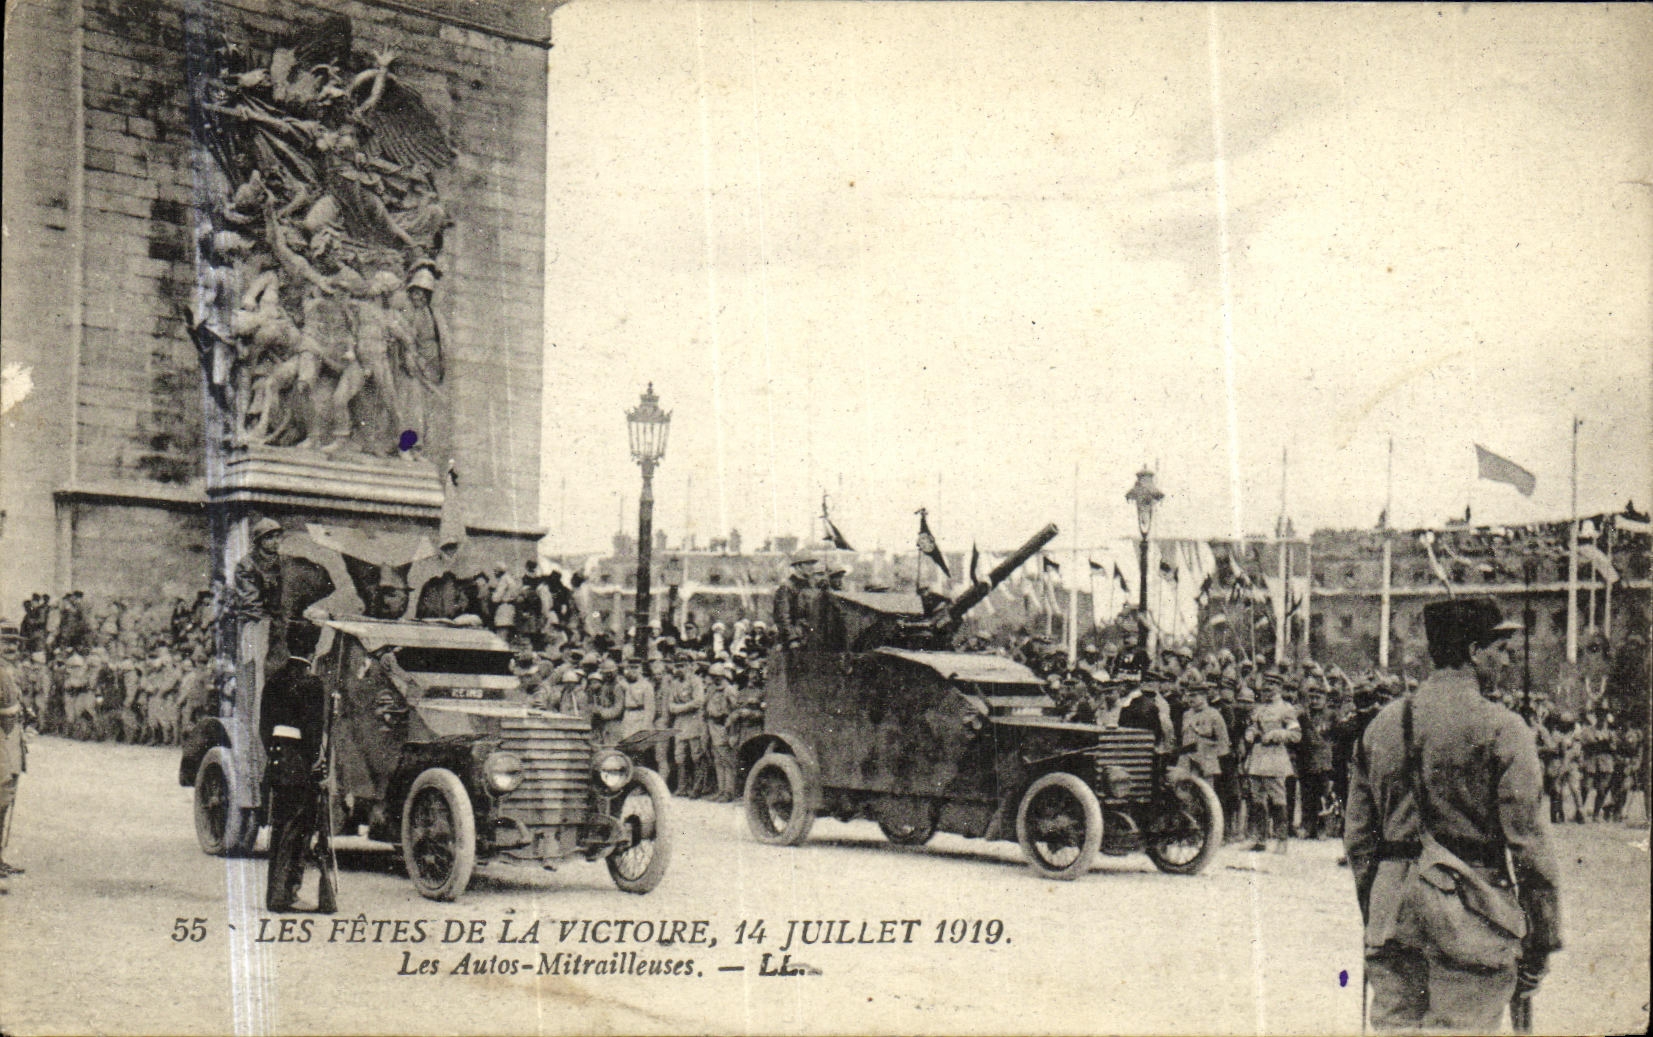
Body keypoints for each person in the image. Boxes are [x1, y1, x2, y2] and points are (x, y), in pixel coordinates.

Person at [1345, 597, 1561, 1033]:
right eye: (1500, 650)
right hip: (1470, 910)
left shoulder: (1381, 725)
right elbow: (1528, 844)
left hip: (1393, 910)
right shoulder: (1504, 728)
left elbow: (1358, 840)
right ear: (1473, 652)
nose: (1506, 661)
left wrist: (1378, 908)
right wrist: (1542, 935)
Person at [260, 623, 336, 914]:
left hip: (278, 763)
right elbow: (313, 734)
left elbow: (264, 728)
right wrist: (313, 764)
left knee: (280, 831)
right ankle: (286, 894)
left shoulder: (275, 680)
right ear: (312, 650)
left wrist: (277, 754)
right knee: (298, 831)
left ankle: (275, 894)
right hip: (299, 767)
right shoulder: (312, 683)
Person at [1243, 673, 1299, 852]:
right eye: (1266, 687)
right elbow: (1253, 726)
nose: (1268, 690)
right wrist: (1250, 732)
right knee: (1257, 800)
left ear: (1279, 688)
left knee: (1278, 800)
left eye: (1272, 686)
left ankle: (1282, 840)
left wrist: (1277, 734)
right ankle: (1261, 839)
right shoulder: (1259, 708)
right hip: (1258, 758)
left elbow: (1296, 735)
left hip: (1275, 758)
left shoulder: (1286, 709)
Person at [1, 630, 27, 881]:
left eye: (14, 643)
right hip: (2, 743)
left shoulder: (8, 671)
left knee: (3, 802)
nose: (11, 647)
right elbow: (8, 713)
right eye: (5, 642)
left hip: (8, 744)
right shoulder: (2, 673)